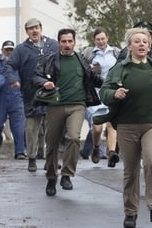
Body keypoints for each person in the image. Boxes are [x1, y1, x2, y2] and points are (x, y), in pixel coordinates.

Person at [99, 27, 152, 228]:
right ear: (129, 46)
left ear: (149, 46)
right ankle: (130, 212)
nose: (142, 44)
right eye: (137, 41)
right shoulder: (120, 69)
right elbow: (105, 91)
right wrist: (114, 94)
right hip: (127, 124)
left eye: (145, 41)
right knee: (131, 169)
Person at [34, 28, 102, 197]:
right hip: (55, 105)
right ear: (58, 43)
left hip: (77, 105)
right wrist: (44, 83)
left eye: (69, 41)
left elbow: (94, 79)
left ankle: (67, 174)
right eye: (63, 42)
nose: (67, 45)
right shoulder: (49, 60)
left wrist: (113, 84)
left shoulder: (82, 60)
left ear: (74, 42)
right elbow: (35, 76)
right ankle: (51, 177)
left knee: (73, 137)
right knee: (52, 143)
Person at [5, 18, 59, 172]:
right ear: (27, 32)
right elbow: (9, 66)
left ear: (41, 28)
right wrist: (14, 80)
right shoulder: (22, 49)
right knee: (31, 129)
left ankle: (51, 159)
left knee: (52, 129)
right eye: (30, 29)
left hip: (52, 92)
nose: (34, 31)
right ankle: (32, 158)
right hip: (31, 94)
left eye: (36, 28)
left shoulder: (53, 45)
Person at [80, 27, 119, 164]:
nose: (101, 41)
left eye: (103, 38)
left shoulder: (116, 52)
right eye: (98, 39)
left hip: (111, 93)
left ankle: (112, 153)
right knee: (97, 128)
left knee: (111, 125)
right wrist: (90, 70)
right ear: (94, 40)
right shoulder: (88, 53)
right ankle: (96, 148)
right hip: (95, 94)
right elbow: (81, 68)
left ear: (107, 38)